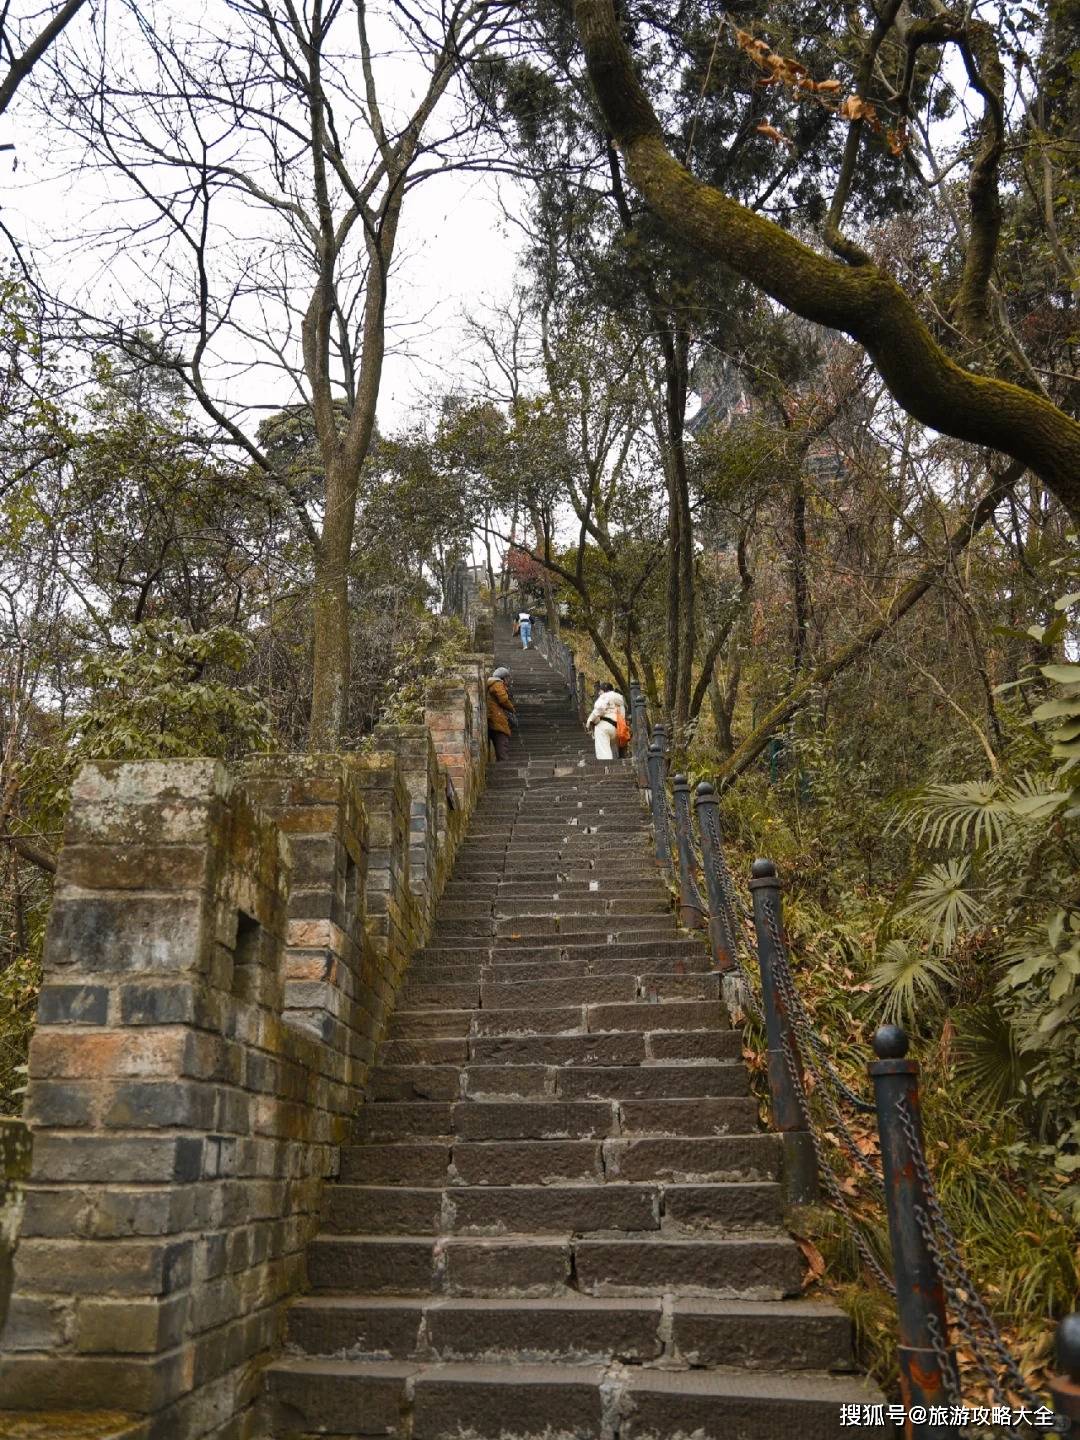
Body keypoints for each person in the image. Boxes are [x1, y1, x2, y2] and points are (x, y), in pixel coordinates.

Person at [586, 681, 626, 761]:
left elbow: (600, 709)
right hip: (617, 728)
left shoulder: (604, 696)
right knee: (611, 749)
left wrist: (589, 721)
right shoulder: (620, 700)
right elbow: (622, 715)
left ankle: (608, 768)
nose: (599, 693)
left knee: (603, 751)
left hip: (604, 727)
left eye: (600, 691)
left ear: (604, 690)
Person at [486, 666, 516, 762]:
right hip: (497, 718)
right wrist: (512, 708)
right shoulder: (498, 684)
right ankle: (504, 766)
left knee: (501, 743)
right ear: (503, 678)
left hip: (495, 717)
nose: (509, 680)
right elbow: (503, 699)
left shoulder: (494, 684)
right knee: (502, 743)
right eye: (508, 678)